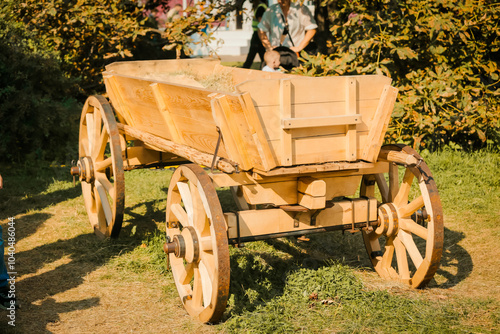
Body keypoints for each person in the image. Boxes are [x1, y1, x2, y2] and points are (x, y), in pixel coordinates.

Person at [242, 0, 268, 69]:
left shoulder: (260, 8)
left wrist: (263, 36)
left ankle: (245, 68)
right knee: (262, 55)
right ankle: (265, 68)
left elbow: (261, 23)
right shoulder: (261, 7)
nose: (252, 3)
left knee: (251, 56)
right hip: (258, 34)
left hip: (258, 34)